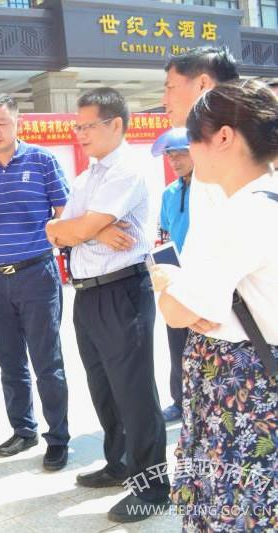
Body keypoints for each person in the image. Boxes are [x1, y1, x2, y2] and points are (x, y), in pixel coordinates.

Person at [151, 79, 278, 532]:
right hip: (252, 383)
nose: (186, 150)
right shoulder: (268, 199)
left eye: (191, 137)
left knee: (234, 509)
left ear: (224, 137)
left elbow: (176, 312)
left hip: (240, 392)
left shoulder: (241, 214)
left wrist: (168, 283)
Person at [45, 88, 169, 522]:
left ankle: (153, 487)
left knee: (133, 390)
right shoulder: (87, 177)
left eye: (87, 126)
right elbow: (55, 230)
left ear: (115, 124)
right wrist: (91, 230)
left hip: (122, 290)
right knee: (103, 386)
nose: (80, 134)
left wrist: (83, 229)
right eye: (77, 126)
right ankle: (119, 464)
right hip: (87, 292)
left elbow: (74, 229)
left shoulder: (129, 169)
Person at [0, 94, 70, 471]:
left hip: (36, 273)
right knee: (9, 360)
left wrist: (35, 243)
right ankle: (24, 429)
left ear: (18, 123)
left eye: (2, 123)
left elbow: (63, 211)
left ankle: (58, 437)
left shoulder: (42, 160)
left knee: (46, 360)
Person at [162, 46, 239, 264]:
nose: (164, 100)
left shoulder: (248, 148)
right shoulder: (205, 155)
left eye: (170, 87)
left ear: (203, 84)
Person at [150, 128, 193, 422]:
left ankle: (203, 402)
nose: (175, 161)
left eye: (181, 154)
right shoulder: (169, 193)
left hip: (204, 278)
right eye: (170, 156)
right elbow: (164, 236)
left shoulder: (211, 189)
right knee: (177, 344)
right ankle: (180, 401)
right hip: (177, 280)